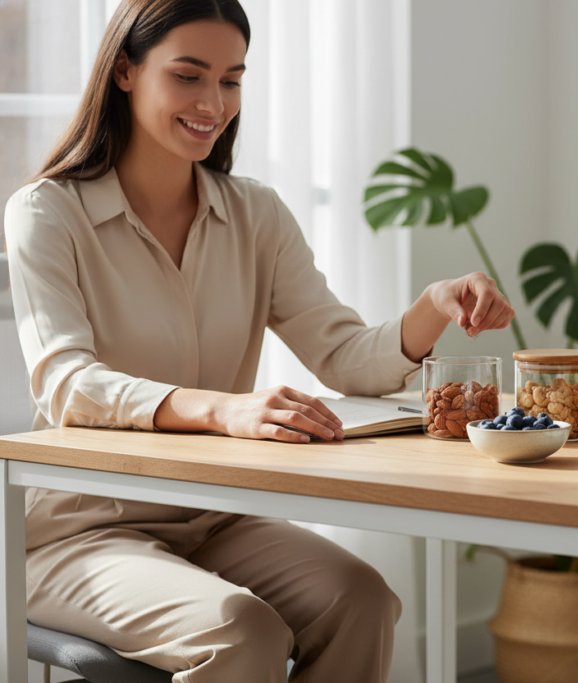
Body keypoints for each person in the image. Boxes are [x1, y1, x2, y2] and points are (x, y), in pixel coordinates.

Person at [2, 0, 515, 681]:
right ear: (125, 70)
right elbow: (67, 382)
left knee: (362, 599)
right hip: (80, 532)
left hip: (212, 519)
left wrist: (431, 307)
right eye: (188, 76)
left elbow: (343, 354)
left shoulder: (255, 214)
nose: (213, 103)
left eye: (231, 79)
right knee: (240, 632)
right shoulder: (47, 211)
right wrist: (221, 408)